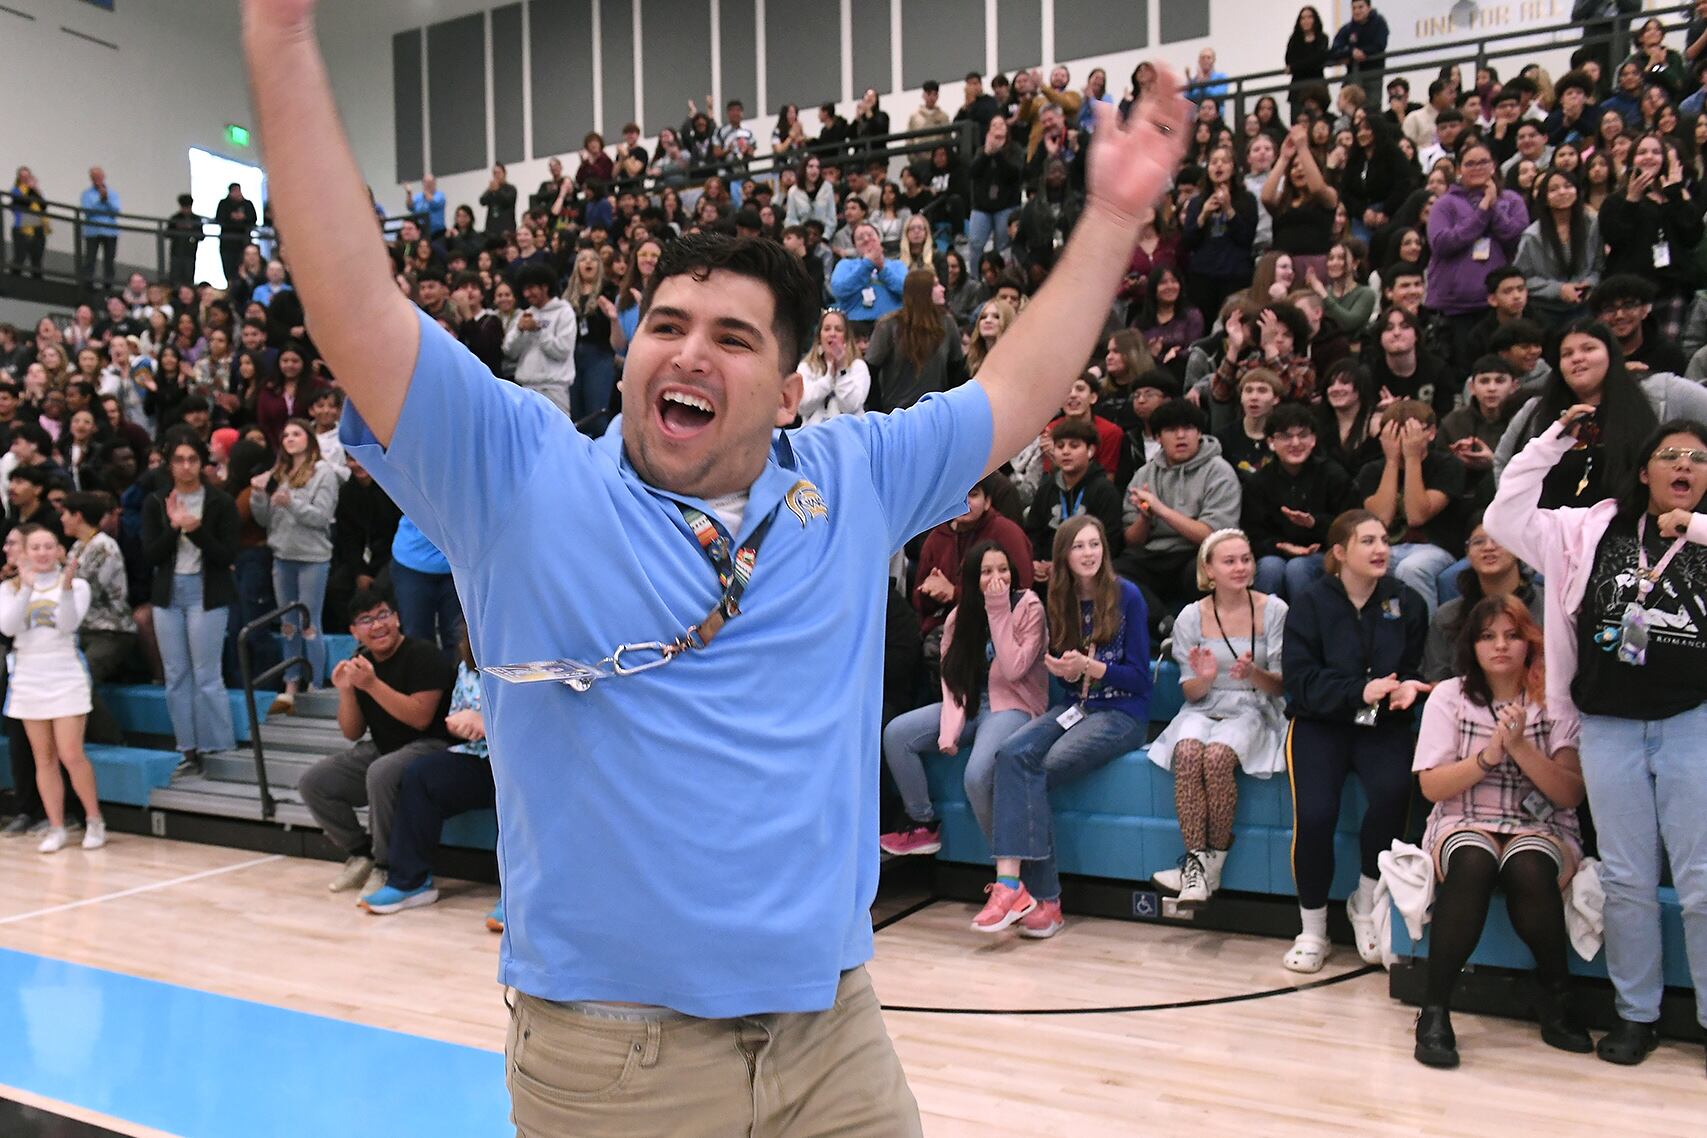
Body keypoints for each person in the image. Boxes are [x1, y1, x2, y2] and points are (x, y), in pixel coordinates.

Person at [245, 1, 1188, 1126]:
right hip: (611, 1054)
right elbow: (355, 310)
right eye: (666, 324)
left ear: (789, 391)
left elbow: (1017, 389)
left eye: (733, 339)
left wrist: (1112, 212)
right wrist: (284, 40)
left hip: (830, 1031)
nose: (690, 350)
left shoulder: (851, 476)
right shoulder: (519, 475)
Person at [1488, 410, 1707, 1065]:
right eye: (1670, 455)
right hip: (1607, 725)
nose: (1683, 467)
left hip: (1691, 722)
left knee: (1701, 882)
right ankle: (1634, 1016)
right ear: (1644, 470)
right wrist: (1554, 438)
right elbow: (1502, 516)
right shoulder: (1589, 528)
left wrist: (1692, 529)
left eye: (1698, 459)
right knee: (1626, 881)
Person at [1409, 595, 1591, 1067]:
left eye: (1511, 635)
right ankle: (1434, 1010)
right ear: (1472, 645)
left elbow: (1569, 793)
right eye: (1489, 636)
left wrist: (1520, 747)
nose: (1501, 646)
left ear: (1529, 641)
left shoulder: (1556, 700)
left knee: (1528, 866)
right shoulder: (1449, 696)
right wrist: (1490, 754)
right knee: (1472, 860)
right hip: (1464, 818)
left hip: (1543, 824)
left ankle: (1557, 997)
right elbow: (1431, 785)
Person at [974, 517, 1151, 935]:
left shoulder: (1128, 596)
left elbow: (1142, 680)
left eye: (1095, 544)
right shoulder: (1059, 597)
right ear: (1064, 556)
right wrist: (1064, 672)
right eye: (1079, 547)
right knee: (1010, 755)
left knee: (1036, 771)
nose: (1089, 553)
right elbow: (1066, 677)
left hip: (1123, 713)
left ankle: (1046, 900)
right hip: (1078, 705)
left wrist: (1090, 666)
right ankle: (1009, 887)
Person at [1281, 509, 1429, 973]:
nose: (1381, 549)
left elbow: (1413, 667)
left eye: (1385, 539)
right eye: (1368, 541)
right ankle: (1313, 929)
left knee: (1391, 795)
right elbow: (1299, 683)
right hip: (1319, 721)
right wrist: (1356, 691)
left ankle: (1365, 906)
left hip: (1381, 723)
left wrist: (1409, 686)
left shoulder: (1406, 601)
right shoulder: (1308, 603)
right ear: (1340, 553)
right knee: (1317, 815)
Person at [1149, 530, 1288, 905]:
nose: (1241, 567)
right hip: (1205, 703)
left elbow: (1281, 686)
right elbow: (1190, 691)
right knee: (1189, 752)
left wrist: (1253, 674)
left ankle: (1208, 868)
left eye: (1246, 558)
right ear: (1208, 569)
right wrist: (1206, 678)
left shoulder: (1274, 610)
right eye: (1230, 561)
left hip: (1256, 705)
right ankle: (1197, 862)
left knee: (1217, 757)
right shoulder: (1191, 616)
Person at [881, 541, 1046, 856]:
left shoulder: (1029, 607)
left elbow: (1013, 669)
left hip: (1014, 705)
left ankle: (1010, 868)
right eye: (986, 572)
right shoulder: (960, 617)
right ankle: (922, 823)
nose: (996, 577)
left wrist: (998, 609)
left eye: (1002, 570)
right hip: (971, 703)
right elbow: (951, 676)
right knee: (896, 733)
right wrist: (950, 726)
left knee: (976, 774)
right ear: (972, 578)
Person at [297, 588, 455, 893]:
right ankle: (361, 853)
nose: (377, 625)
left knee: (382, 771)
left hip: (434, 745)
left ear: (397, 619)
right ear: (354, 632)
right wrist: (346, 690)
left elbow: (420, 717)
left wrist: (370, 684)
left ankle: (386, 866)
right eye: (366, 620)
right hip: (385, 746)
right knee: (314, 781)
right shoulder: (361, 663)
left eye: (384, 615)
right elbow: (352, 732)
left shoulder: (424, 655)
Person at [358, 634, 498, 924]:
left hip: (516, 761)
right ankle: (410, 883)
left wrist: (487, 725)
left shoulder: (524, 659)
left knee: (514, 794)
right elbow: (457, 713)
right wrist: (462, 726)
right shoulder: (467, 664)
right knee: (421, 776)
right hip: (475, 754)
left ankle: (518, 898)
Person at [1494, 320, 1707, 506]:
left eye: (1588, 348)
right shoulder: (1536, 410)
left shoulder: (1659, 391)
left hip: (1637, 537)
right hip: (1557, 540)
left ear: (1611, 355)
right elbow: (1504, 462)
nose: (1577, 358)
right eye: (1567, 353)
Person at [0, 525, 103, 854]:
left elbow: (68, 626)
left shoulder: (77, 586)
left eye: (49, 546)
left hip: (64, 673)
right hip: (28, 676)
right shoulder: (9, 588)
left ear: (60, 551)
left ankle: (94, 820)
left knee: (71, 754)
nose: (43, 553)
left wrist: (68, 590)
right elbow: (8, 628)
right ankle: (56, 826)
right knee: (43, 758)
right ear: (25, 553)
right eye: (36, 547)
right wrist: (27, 590)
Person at [143, 431, 238, 777]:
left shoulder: (220, 502)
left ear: (202, 463)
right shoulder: (156, 502)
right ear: (170, 466)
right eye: (179, 460)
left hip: (206, 590)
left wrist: (195, 529)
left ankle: (219, 746)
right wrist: (173, 528)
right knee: (175, 675)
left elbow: (227, 554)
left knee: (206, 674)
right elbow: (150, 554)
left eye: (192, 459)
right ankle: (188, 747)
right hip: (167, 594)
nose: (186, 466)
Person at [1116, 398, 1243, 622]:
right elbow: (1132, 540)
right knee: (1110, 574)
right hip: (1154, 555)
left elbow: (1213, 536)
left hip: (1197, 554)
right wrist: (1144, 519)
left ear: (1199, 433)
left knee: (1207, 569)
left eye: (1188, 428)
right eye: (1171, 430)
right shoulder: (1144, 474)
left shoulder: (1219, 471)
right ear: (1158, 438)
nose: (1181, 436)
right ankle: (1165, 626)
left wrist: (1161, 510)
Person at [250, 418, 338, 708]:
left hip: (312, 556)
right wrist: (258, 495)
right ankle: (291, 681)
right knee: (287, 624)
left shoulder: (324, 472)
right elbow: (264, 520)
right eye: (285, 434)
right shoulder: (279, 472)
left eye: (296, 433)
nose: (289, 438)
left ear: (309, 439)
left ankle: (314, 684)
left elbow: (322, 518)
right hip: (282, 555)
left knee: (309, 622)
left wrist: (291, 504)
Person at [1425, 142, 1530, 368]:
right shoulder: (1445, 203)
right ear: (1459, 170)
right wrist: (1482, 211)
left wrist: (1492, 206)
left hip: (1498, 307)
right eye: (1469, 163)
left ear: (1493, 166)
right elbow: (1442, 243)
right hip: (1455, 307)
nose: (1477, 168)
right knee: (1464, 369)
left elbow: (1516, 237)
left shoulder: (1512, 200)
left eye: (1483, 162)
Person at [1356, 400, 1465, 617]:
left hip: (1436, 547)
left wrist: (1413, 458)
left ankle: (1424, 643)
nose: (1404, 440)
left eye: (1410, 432)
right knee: (1359, 565)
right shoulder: (1371, 470)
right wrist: (1391, 462)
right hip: (1388, 545)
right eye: (1395, 433)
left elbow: (1417, 515)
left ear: (1431, 433)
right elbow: (1382, 519)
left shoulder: (1448, 465)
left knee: (1412, 568)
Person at [1246, 403, 1355, 599]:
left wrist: (1314, 524)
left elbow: (1350, 524)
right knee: (1270, 568)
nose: (1295, 443)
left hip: (1324, 552)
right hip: (1275, 554)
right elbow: (1253, 534)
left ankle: (1306, 627)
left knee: (1299, 568)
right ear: (1271, 442)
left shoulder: (1333, 474)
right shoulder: (1259, 482)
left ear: (1313, 439)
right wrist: (1282, 546)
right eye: (1286, 436)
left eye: (1303, 435)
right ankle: (1263, 627)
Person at [59, 491, 138, 745]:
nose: (61, 519)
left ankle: (111, 740)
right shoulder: (78, 547)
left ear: (78, 516)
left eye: (65, 514)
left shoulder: (103, 546)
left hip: (111, 630)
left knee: (79, 676)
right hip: (83, 630)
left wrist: (62, 571)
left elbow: (84, 590)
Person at [1423, 518, 1545, 681]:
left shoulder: (1549, 605)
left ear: (1517, 547)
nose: (1488, 547)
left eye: (1499, 539)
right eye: (1478, 542)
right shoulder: (1447, 615)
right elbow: (1437, 680)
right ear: (1467, 552)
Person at [1024, 418, 1124, 578]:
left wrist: (1063, 567)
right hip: (1047, 570)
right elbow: (1032, 531)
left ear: (1090, 451)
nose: (1065, 452)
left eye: (1074, 446)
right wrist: (1035, 561)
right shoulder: (1047, 488)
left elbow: (1111, 542)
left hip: (1090, 571)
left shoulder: (1104, 490)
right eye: (1060, 446)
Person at [862, 268, 963, 413]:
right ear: (921, 291)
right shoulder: (888, 325)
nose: (943, 289)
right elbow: (871, 370)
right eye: (935, 285)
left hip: (936, 411)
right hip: (896, 413)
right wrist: (878, 412)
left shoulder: (947, 323)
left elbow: (957, 371)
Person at [1516, 169, 1604, 328]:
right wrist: (1559, 289)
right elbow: (1523, 278)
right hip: (1545, 310)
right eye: (1553, 189)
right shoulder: (1532, 236)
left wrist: (1589, 283)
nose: (1562, 192)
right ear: (1544, 198)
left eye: (1568, 186)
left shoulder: (1592, 224)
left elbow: (1599, 266)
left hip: (1584, 306)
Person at [502, 264, 577, 415]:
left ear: (545, 287)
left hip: (554, 389)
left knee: (557, 435)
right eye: (524, 290)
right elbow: (509, 351)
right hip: (526, 388)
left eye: (531, 288)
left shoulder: (564, 312)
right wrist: (519, 330)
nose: (527, 294)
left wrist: (537, 331)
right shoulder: (525, 314)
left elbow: (562, 350)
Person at [796, 310, 870, 426]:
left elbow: (850, 406)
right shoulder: (806, 367)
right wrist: (829, 378)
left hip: (848, 436)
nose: (832, 334)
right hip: (813, 438)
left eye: (838, 329)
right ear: (819, 337)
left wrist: (841, 370)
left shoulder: (858, 367)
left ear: (846, 338)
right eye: (827, 329)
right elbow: (802, 406)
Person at [1331, 0, 1392, 98]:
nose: (1357, 11)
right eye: (1354, 8)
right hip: (1352, 75)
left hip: (1373, 74)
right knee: (1348, 104)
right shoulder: (1347, 28)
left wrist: (1364, 52)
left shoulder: (1379, 23)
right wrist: (1352, 52)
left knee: (1371, 108)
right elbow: (1334, 50)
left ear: (1369, 8)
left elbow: (1379, 45)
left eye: (1360, 7)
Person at [78, 167, 120, 290]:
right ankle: (88, 283)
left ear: (103, 177)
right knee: (90, 259)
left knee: (109, 260)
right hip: (93, 231)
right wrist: (100, 200)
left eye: (99, 176)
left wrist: (106, 200)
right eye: (94, 177)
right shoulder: (86, 194)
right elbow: (88, 211)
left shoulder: (112, 193)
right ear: (91, 179)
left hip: (110, 231)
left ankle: (108, 285)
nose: (97, 179)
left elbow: (116, 212)